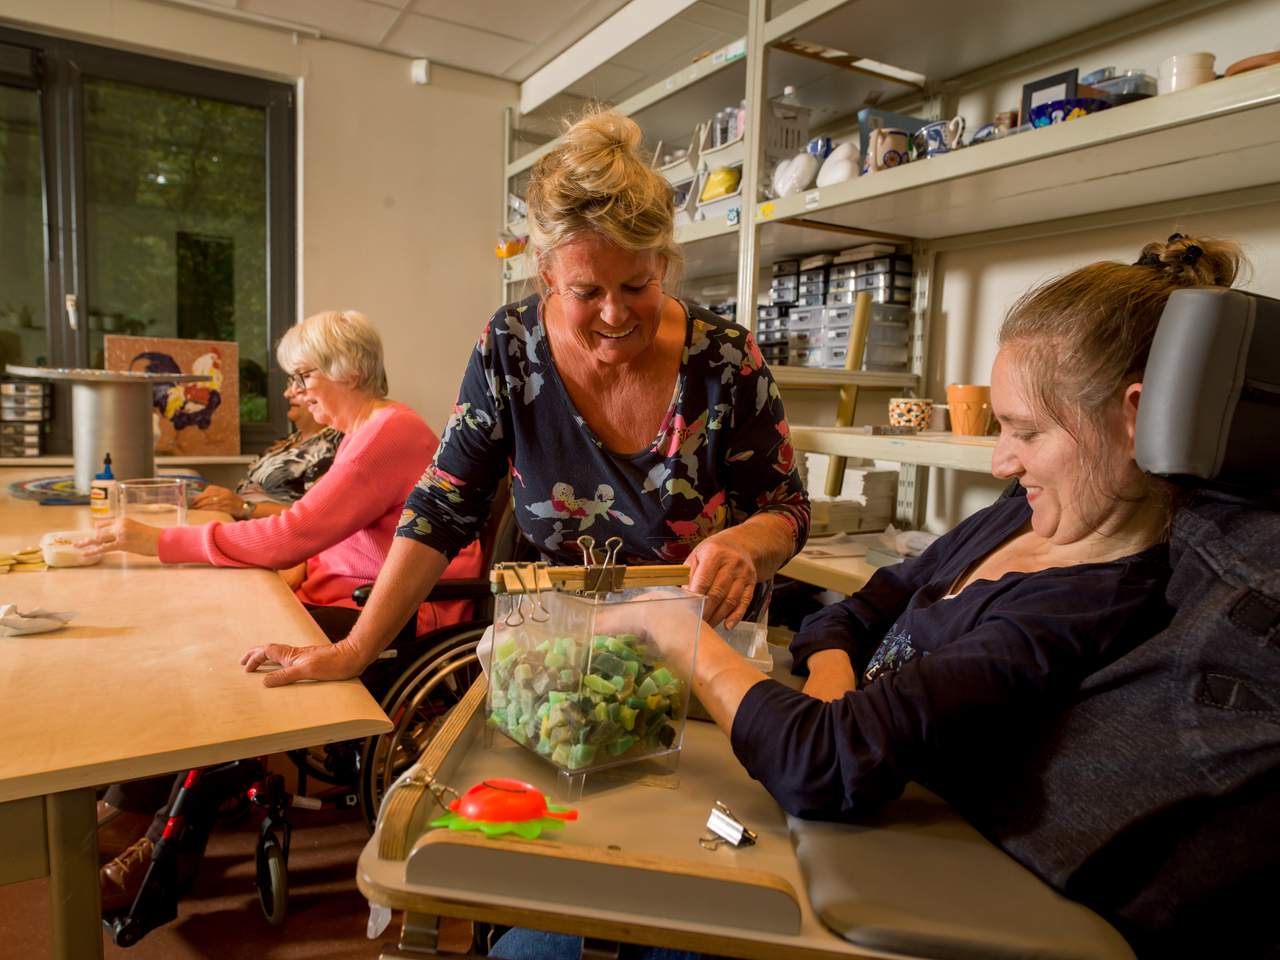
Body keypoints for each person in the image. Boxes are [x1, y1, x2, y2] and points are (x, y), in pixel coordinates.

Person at [488, 234, 1245, 960]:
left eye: (1025, 431)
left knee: (534, 943)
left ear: (1135, 415)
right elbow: (856, 611)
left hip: (858, 871)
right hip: (800, 809)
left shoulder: (1083, 609)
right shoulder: (1018, 517)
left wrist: (675, 633)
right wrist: (829, 677)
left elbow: (828, 762)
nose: (998, 458)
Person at [239, 108, 810, 688]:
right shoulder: (511, 346)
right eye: (586, 291)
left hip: (703, 658)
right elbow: (443, 508)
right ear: (545, 274)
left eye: (637, 286)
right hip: (565, 657)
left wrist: (745, 543)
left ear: (662, 261)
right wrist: (355, 649)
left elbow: (787, 508)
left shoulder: (726, 358)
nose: (615, 314)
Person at [83, 309, 484, 911]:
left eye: (303, 377)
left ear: (346, 370)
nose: (294, 392)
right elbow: (314, 535)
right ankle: (135, 804)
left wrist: (157, 541)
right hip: (344, 594)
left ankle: (164, 848)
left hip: (399, 617)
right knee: (213, 624)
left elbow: (292, 534)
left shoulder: (390, 433)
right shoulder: (366, 431)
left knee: (226, 653)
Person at [191, 377, 343, 521]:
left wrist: (242, 507)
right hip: (241, 524)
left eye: (299, 385)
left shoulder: (333, 446)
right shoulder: (289, 440)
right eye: (290, 385)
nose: (288, 393)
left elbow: (315, 516)